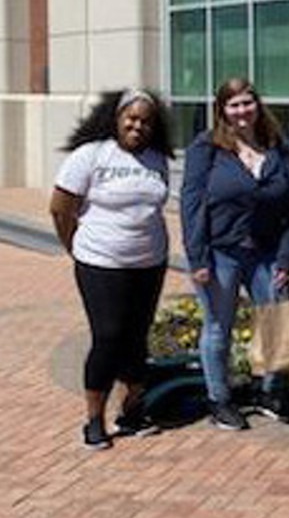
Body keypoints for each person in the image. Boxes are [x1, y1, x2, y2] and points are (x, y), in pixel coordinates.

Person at [49, 89, 174, 450]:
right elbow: (60, 208)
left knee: (137, 337)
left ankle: (133, 412)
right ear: (117, 118)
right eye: (131, 118)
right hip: (101, 263)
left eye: (146, 121)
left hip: (149, 262)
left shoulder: (157, 159)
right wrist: (73, 246)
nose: (138, 125)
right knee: (108, 337)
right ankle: (93, 420)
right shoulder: (90, 155)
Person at [180, 78, 289, 431]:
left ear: (257, 104)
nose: (241, 111)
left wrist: (286, 258)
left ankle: (269, 392)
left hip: (266, 252)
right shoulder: (206, 148)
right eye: (233, 105)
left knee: (276, 322)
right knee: (219, 327)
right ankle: (219, 399)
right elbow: (192, 205)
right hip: (221, 253)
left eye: (247, 102)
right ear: (222, 110)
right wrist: (198, 259)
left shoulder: (279, 146)